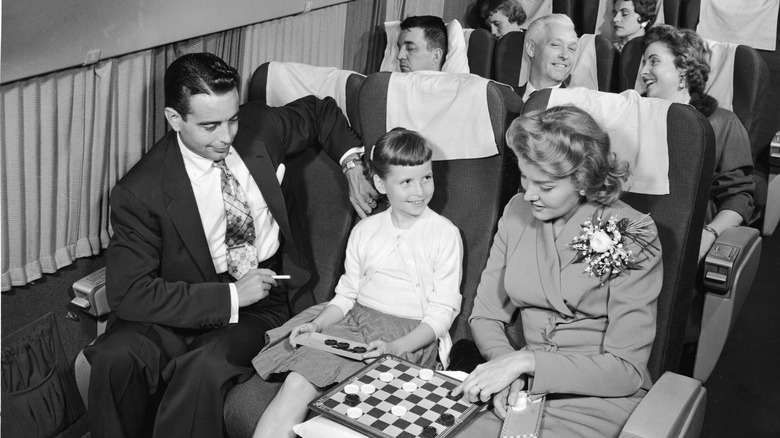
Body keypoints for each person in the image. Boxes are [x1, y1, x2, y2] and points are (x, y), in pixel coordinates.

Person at [83, 52, 378, 438]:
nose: (226, 137)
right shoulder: (140, 190)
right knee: (114, 359)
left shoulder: (259, 127)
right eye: (210, 126)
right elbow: (128, 292)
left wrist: (353, 165)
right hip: (185, 296)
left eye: (232, 118)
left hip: (264, 296)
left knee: (203, 368)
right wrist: (230, 297)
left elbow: (320, 111)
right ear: (175, 119)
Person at [452, 105, 663, 437]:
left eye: (546, 186)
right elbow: (486, 315)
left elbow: (626, 370)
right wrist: (506, 366)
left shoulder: (631, 232)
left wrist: (527, 363)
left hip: (598, 396)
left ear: (583, 180)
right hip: (521, 391)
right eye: (525, 178)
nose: (529, 194)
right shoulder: (516, 211)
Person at [251, 128, 463, 438]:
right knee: (297, 382)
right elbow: (347, 294)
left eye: (426, 178)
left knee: (353, 405)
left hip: (407, 336)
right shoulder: (366, 231)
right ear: (381, 183)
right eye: (406, 182)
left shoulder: (444, 234)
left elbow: (443, 312)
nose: (419, 190)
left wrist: (394, 347)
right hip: (352, 323)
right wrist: (319, 325)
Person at [639, 24, 754, 261]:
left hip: (681, 237)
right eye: (643, 63)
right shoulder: (632, 116)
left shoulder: (722, 124)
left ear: (682, 67)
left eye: (653, 61)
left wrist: (709, 234)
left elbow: (739, 196)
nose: (643, 71)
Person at [518, 14, 579, 101]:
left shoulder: (579, 107)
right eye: (556, 45)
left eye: (572, 49)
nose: (565, 55)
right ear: (531, 49)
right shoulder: (501, 99)